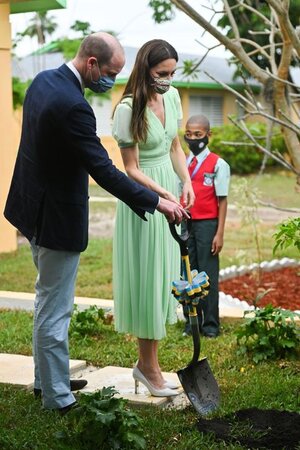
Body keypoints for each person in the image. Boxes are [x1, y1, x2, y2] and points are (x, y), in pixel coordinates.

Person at [3, 32, 188, 414]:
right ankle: (57, 397)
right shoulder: (75, 106)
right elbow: (105, 170)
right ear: (91, 64)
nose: (111, 80)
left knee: (47, 300)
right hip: (55, 217)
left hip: (30, 206)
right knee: (55, 309)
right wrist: (156, 201)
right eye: (109, 72)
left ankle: (47, 378)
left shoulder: (44, 81)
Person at [112, 39, 195, 397]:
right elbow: (129, 168)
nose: (168, 80)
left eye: (173, 73)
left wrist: (186, 180)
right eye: (163, 74)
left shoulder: (172, 98)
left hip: (169, 193)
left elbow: (175, 145)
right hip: (144, 200)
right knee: (148, 280)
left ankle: (149, 366)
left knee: (164, 278)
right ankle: (149, 368)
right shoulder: (127, 109)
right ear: (146, 69)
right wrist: (160, 195)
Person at [181, 114, 230, 338]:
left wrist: (219, 233)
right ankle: (192, 323)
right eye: (188, 134)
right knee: (188, 273)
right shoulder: (182, 162)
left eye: (198, 135)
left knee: (207, 273)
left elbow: (222, 201)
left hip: (208, 224)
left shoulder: (218, 164)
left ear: (208, 135)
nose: (193, 139)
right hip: (186, 223)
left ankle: (210, 325)